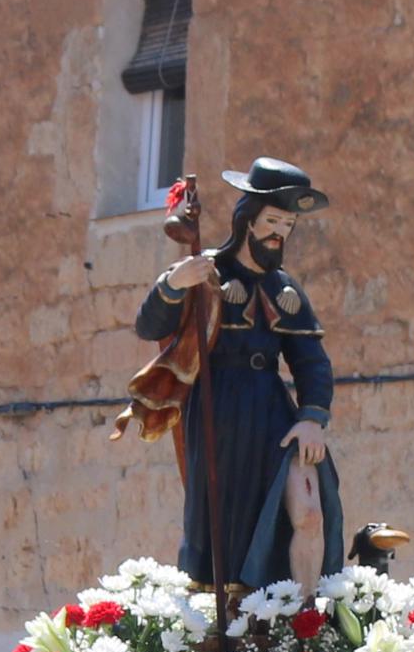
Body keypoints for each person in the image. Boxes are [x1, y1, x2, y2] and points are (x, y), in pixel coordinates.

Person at [135, 158, 336, 589]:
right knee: (220, 521)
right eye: (272, 221)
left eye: (287, 224)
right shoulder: (204, 269)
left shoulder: (286, 289)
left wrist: (312, 417)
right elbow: (149, 326)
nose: (279, 232)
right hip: (217, 406)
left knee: (308, 511)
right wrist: (174, 284)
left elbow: (311, 360)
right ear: (247, 219)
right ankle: (220, 613)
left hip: (273, 411)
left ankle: (302, 620)